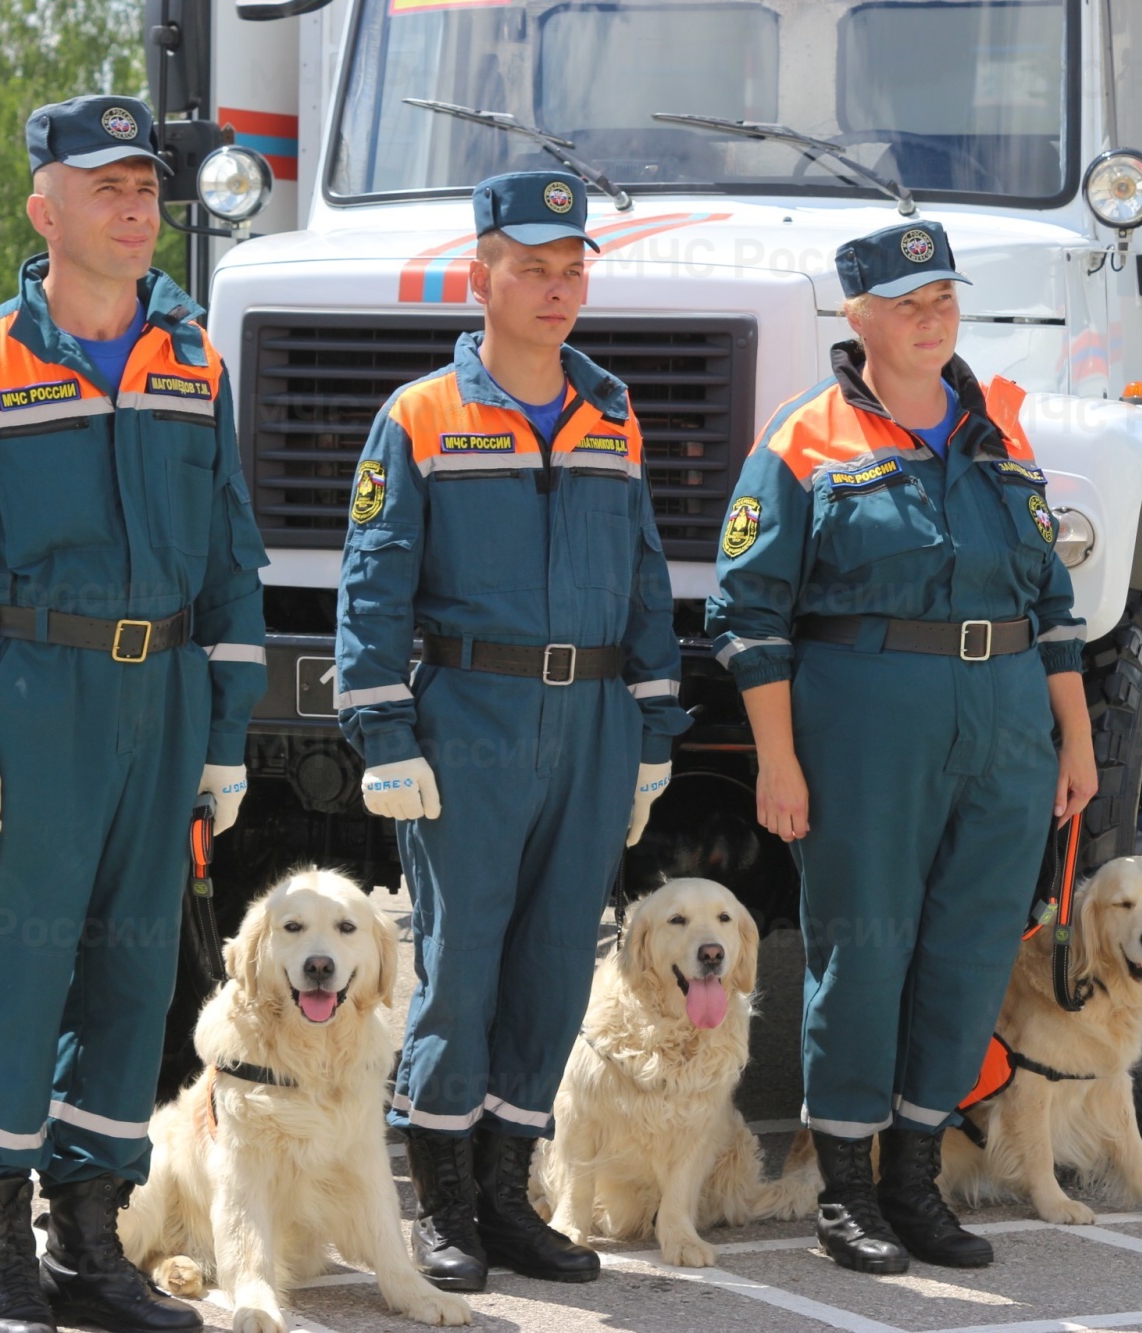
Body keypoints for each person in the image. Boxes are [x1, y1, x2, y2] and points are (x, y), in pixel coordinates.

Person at [0, 94, 267, 1333]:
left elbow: (231, 562)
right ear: (45, 208)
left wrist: (221, 732)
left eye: (145, 185)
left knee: (131, 975)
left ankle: (88, 1245)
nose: (135, 204)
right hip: (32, 706)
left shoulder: (191, 358)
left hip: (160, 704)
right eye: (105, 186)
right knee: (16, 970)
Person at [706, 219, 1097, 1274]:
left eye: (945, 300)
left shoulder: (998, 434)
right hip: (864, 719)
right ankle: (844, 1189)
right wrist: (776, 761)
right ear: (860, 316)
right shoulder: (803, 439)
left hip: (1007, 717)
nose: (934, 319)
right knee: (862, 949)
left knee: (969, 952)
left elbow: (1049, 601)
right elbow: (746, 619)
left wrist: (1074, 735)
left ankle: (913, 1180)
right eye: (910, 303)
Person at [335, 170, 691, 1292]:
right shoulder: (422, 415)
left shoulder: (610, 410)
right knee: (461, 965)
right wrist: (381, 731)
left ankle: (504, 1196)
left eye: (569, 268)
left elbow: (643, 573)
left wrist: (651, 726)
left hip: (589, 716)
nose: (554, 288)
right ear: (479, 273)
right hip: (471, 718)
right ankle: (441, 1203)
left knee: (548, 965)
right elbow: (372, 586)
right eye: (530, 267)